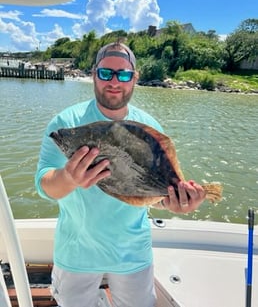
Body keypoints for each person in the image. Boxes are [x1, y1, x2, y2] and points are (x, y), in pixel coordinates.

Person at [35, 41, 206, 307]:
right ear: (94, 74)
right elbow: (44, 185)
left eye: (124, 74)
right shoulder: (65, 123)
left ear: (134, 78)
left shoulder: (148, 127)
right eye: (106, 73)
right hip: (76, 251)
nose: (115, 81)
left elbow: (154, 194)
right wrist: (68, 178)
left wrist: (178, 202)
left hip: (133, 252)